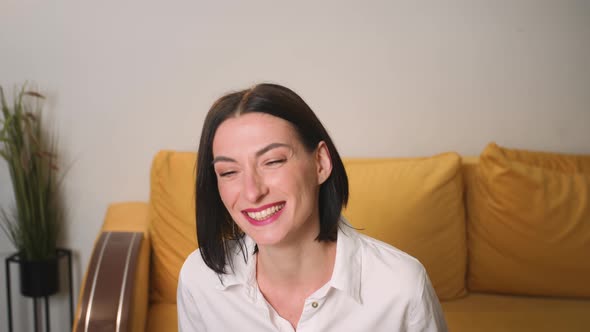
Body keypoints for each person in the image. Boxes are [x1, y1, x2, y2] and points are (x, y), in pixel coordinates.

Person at [177, 83, 448, 331]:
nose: (252, 191)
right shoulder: (199, 279)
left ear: (320, 163)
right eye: (228, 172)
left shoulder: (402, 287)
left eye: (272, 161)